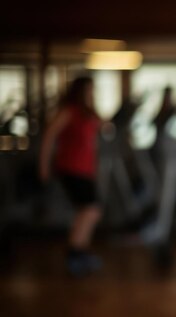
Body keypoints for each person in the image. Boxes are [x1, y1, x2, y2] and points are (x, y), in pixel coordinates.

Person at [40, 76, 103, 277]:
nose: (92, 94)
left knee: (88, 211)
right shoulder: (69, 112)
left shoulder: (89, 113)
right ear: (80, 92)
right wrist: (43, 166)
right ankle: (75, 253)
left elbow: (102, 127)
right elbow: (49, 136)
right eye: (88, 91)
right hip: (71, 168)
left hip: (86, 169)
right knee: (91, 210)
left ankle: (80, 251)